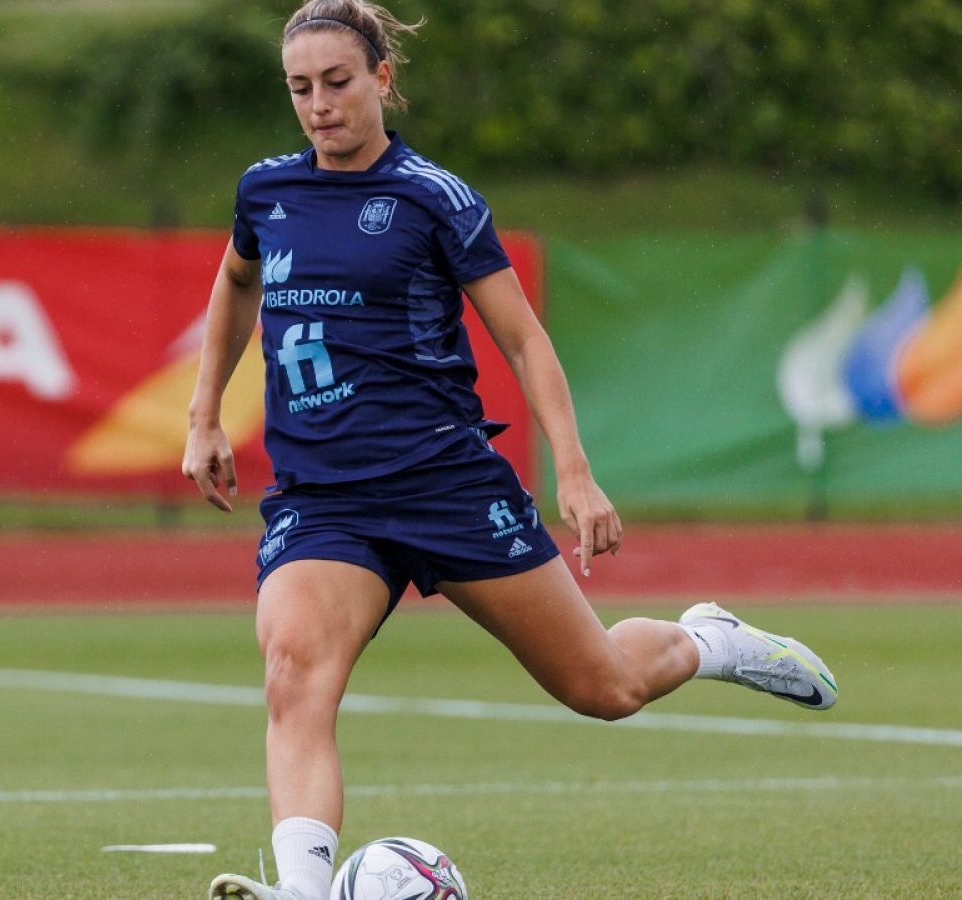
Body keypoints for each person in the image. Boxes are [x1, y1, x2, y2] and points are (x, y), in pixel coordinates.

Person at [180, 3, 839, 899]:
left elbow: (526, 341)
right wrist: (204, 414)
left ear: (381, 77)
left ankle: (708, 641)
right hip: (324, 498)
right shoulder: (266, 192)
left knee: (601, 686)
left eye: (337, 82)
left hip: (444, 484)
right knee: (293, 674)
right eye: (300, 88)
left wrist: (573, 471)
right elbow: (235, 280)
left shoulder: (435, 200)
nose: (319, 105)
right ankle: (303, 891)